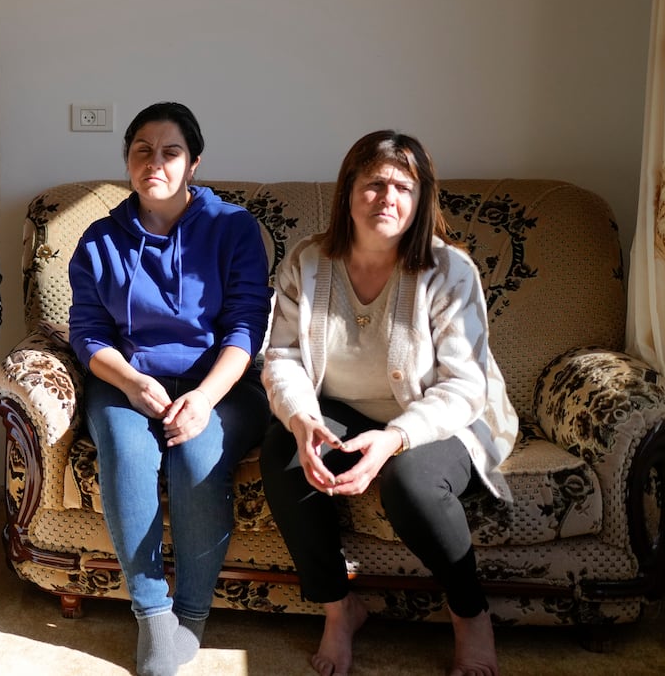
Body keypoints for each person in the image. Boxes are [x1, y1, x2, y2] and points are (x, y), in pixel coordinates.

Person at [260, 131, 518, 676]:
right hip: (341, 410)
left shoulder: (450, 271)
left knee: (410, 481)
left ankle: (470, 614)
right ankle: (339, 609)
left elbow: (465, 386)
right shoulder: (306, 262)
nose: (388, 197)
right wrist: (303, 419)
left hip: (441, 419)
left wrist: (397, 438)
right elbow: (281, 356)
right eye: (374, 182)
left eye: (404, 186)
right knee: (284, 453)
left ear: (422, 199)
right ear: (348, 190)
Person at [68, 101, 272, 676]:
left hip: (222, 385)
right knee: (127, 447)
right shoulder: (100, 239)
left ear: (194, 163)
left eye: (170, 151)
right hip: (129, 381)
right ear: (127, 162)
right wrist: (132, 383)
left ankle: (192, 614)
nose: (154, 162)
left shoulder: (233, 228)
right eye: (141, 151)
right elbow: (86, 334)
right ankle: (154, 615)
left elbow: (246, 327)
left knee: (198, 451)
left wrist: (204, 398)